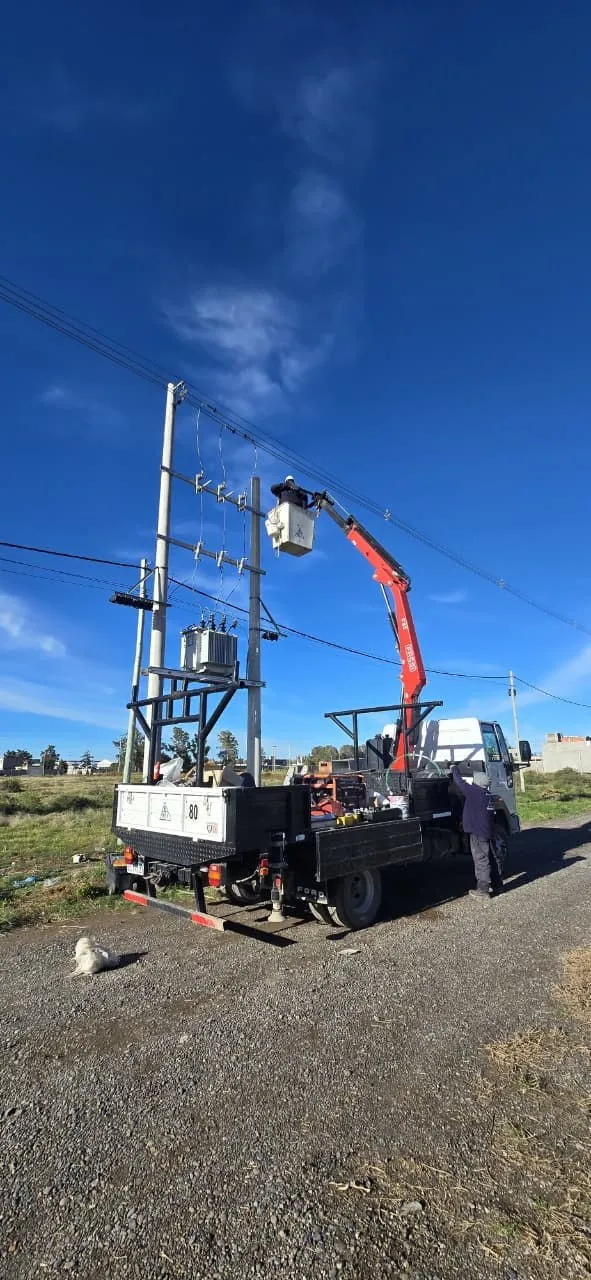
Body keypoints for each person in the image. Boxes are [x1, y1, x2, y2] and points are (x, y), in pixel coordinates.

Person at [451, 766, 504, 900]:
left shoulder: (474, 792)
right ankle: (497, 884)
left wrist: (454, 769)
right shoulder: (487, 795)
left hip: (478, 832)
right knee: (491, 857)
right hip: (486, 831)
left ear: (478, 782)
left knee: (481, 859)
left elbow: (459, 782)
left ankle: (483, 890)